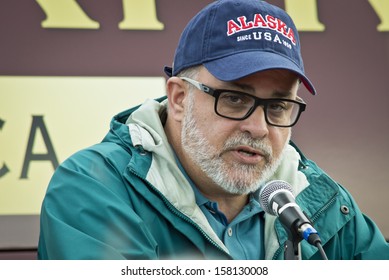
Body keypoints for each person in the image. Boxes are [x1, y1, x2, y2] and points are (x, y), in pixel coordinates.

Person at [38, 0, 389, 260]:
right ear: (178, 98)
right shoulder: (92, 187)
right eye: (235, 98)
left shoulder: (320, 202)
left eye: (278, 106)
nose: (258, 128)